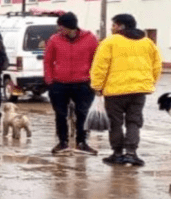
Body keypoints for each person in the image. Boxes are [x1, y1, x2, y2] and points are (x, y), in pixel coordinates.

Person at [91, 14, 162, 166]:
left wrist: (97, 86)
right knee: (134, 121)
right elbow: (157, 66)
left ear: (121, 26)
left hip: (115, 91)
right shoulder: (147, 42)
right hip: (139, 91)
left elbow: (100, 66)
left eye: (114, 25)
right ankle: (131, 153)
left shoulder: (110, 42)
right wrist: (149, 83)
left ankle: (117, 153)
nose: (112, 28)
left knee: (115, 122)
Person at [44, 12, 99, 155]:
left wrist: (94, 80)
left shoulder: (90, 39)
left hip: (83, 83)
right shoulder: (54, 40)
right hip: (59, 83)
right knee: (60, 114)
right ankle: (62, 142)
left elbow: (97, 60)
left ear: (69, 27)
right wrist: (49, 80)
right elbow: (48, 61)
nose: (58, 29)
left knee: (83, 113)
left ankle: (82, 142)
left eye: (61, 27)